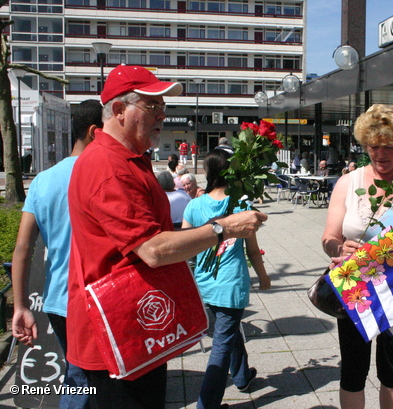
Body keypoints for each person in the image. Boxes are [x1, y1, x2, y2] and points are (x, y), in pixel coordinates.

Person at [66, 65, 267, 408]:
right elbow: (154, 250)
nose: (162, 114)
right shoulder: (108, 166)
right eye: (152, 105)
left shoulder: (129, 158)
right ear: (118, 110)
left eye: (163, 106)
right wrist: (225, 228)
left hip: (137, 324)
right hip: (116, 333)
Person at [321, 103, 393, 409]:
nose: (380, 154)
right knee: (353, 370)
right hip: (354, 287)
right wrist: (337, 248)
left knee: (392, 371)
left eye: (389, 147)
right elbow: (329, 237)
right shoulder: (349, 183)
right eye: (373, 146)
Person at [11, 98, 103, 409]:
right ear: (94, 133)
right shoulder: (105, 176)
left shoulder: (42, 180)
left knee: (77, 375)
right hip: (98, 300)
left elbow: (23, 246)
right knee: (86, 382)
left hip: (57, 301)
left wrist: (21, 305)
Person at [182, 149, 271, 409]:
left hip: (204, 284)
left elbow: (186, 247)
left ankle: (242, 376)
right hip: (231, 286)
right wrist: (263, 277)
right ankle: (207, 405)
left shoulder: (194, 205)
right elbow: (252, 249)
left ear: (208, 173)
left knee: (228, 331)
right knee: (221, 345)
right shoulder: (241, 207)